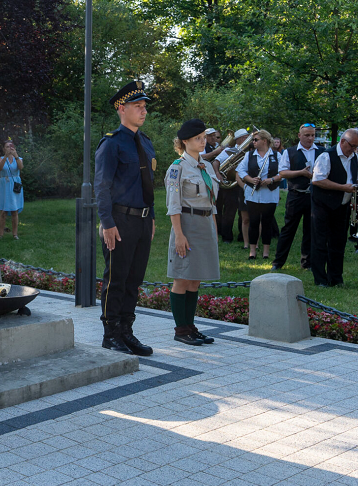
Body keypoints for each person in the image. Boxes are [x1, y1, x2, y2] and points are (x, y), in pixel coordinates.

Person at [94, 79, 156, 357]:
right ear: (122, 108)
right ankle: (111, 334)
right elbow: (102, 186)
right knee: (116, 279)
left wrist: (151, 217)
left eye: (144, 106)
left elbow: (148, 184)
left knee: (134, 280)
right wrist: (107, 222)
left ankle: (127, 332)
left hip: (142, 221)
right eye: (137, 106)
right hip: (119, 221)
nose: (143, 111)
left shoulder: (146, 143)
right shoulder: (112, 144)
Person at [166, 119, 221, 346]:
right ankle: (181, 330)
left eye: (203, 137)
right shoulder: (177, 168)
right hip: (187, 225)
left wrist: (214, 228)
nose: (202, 141)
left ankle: (190, 326)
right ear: (185, 141)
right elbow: (173, 204)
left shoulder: (206, 166)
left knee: (196, 279)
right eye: (198, 138)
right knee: (182, 277)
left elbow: (212, 200)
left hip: (205, 224)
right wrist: (179, 234)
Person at [310, 128, 358, 288]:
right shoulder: (326, 156)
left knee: (338, 243)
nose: (354, 149)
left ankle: (336, 278)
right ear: (342, 141)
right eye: (352, 145)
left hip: (342, 206)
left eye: (357, 146)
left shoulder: (356, 158)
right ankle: (320, 279)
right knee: (320, 242)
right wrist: (343, 187)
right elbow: (318, 180)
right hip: (323, 205)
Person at [273, 124, 319, 271]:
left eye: (312, 135)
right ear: (299, 136)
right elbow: (283, 173)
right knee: (288, 229)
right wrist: (301, 173)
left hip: (314, 196)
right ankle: (278, 262)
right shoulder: (290, 152)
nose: (310, 138)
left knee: (310, 230)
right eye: (307, 135)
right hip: (296, 195)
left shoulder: (321, 151)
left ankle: (307, 263)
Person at [237, 130, 282, 260]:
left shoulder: (276, 155)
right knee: (254, 222)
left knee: (267, 222)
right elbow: (240, 170)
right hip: (253, 194)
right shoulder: (250, 155)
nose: (253, 142)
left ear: (264, 141)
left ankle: (266, 252)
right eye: (253, 140)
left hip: (270, 193)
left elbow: (283, 172)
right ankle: (252, 251)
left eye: (256, 140)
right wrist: (250, 180)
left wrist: (271, 180)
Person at [215, 128, 249, 244]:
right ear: (239, 139)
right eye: (245, 137)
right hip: (229, 183)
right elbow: (216, 162)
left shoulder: (249, 152)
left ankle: (241, 235)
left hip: (243, 183)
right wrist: (217, 174)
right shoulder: (229, 150)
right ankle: (226, 237)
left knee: (242, 212)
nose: (247, 139)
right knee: (229, 211)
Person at [0, 140, 24, 240]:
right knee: (3, 211)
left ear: (14, 148)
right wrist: (6, 157)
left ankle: (15, 234)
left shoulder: (19, 158)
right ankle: (0, 234)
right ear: (4, 149)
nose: (9, 148)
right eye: (7, 147)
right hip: (5, 185)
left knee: (14, 211)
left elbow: (20, 167)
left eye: (10, 146)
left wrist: (15, 156)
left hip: (15, 184)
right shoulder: (0, 159)